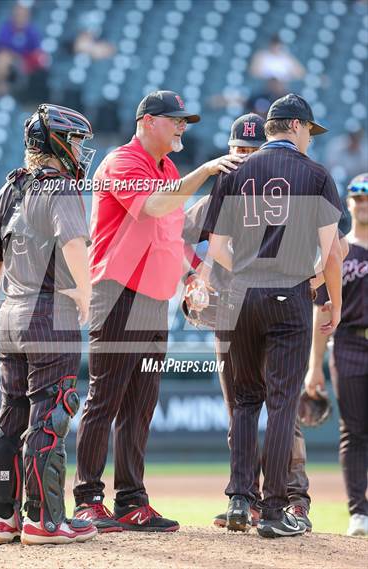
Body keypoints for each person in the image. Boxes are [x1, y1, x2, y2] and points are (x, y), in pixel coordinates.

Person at [73, 90, 242, 532]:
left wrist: (191, 278)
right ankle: (88, 498)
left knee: (141, 401)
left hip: (151, 298)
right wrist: (204, 172)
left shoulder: (167, 167)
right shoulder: (121, 162)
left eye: (186, 120)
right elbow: (153, 206)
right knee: (105, 396)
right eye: (176, 120)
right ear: (148, 121)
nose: (183, 126)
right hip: (116, 293)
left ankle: (131, 499)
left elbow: (170, 236)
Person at [204, 93, 344, 538]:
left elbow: (218, 250)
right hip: (289, 295)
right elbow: (331, 253)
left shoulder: (233, 173)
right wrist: (333, 303)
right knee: (282, 403)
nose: (309, 139)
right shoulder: (316, 174)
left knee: (244, 401)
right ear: (298, 127)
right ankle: (274, 509)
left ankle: (240, 498)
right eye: (309, 132)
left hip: (238, 296)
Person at [182, 112, 314, 531]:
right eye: (238, 149)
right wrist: (192, 277)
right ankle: (247, 497)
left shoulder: (285, 190)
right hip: (229, 312)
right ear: (228, 148)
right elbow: (175, 235)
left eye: (251, 150)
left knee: (282, 410)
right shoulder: (219, 192)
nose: (243, 157)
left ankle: (293, 500)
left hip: (273, 307)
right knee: (239, 406)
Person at [0, 104, 96, 545]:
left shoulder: (6, 191)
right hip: (50, 314)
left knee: (11, 415)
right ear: (57, 142)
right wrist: (85, 292)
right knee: (52, 412)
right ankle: (45, 521)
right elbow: (75, 243)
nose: (81, 150)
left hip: (9, 312)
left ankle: (2, 518)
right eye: (77, 141)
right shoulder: (61, 189)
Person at [305, 173, 368, 537]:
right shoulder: (339, 249)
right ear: (348, 203)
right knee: (354, 431)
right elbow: (323, 309)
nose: (362, 204)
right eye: (356, 198)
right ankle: (359, 512)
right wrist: (315, 367)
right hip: (349, 344)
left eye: (367, 198)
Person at [0, 3, 48, 96]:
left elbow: (36, 50)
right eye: (18, 13)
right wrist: (14, 55)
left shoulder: (32, 31)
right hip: (9, 59)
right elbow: (1, 46)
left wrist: (23, 58)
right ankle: (1, 87)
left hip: (25, 61)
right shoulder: (7, 27)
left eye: (23, 14)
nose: (20, 16)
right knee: (2, 58)